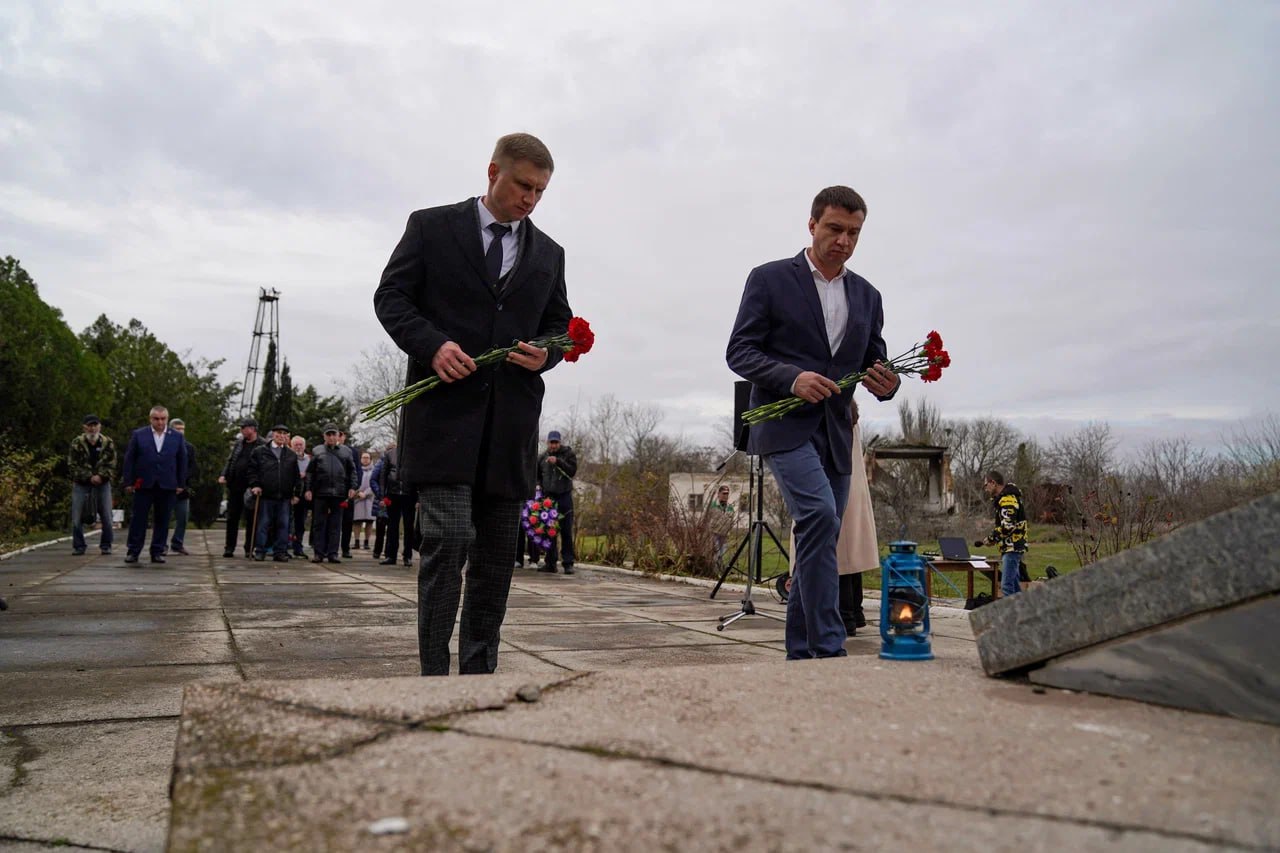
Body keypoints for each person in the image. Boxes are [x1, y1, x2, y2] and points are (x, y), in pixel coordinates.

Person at [373, 131, 573, 675]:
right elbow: (390, 297)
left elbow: (559, 327)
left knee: (494, 558)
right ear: (493, 172)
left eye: (540, 191)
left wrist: (545, 355)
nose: (530, 199)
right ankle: (435, 677)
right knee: (449, 537)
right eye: (523, 186)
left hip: (509, 428)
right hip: (443, 421)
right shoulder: (431, 227)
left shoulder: (549, 254)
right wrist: (432, 345)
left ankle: (479, 675)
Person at [727, 185, 899, 660]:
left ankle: (803, 654)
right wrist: (792, 378)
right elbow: (739, 352)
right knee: (820, 516)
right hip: (784, 427)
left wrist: (886, 382)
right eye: (835, 229)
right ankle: (829, 645)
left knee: (820, 531)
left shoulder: (868, 295)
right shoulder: (769, 279)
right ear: (812, 225)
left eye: (854, 232)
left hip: (837, 433)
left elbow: (874, 360)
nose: (844, 240)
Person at [120, 405, 188, 564]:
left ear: (167, 419)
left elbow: (182, 461)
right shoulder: (139, 435)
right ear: (151, 419)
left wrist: (180, 483)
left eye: (163, 419)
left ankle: (157, 551)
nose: (160, 422)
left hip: (167, 484)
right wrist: (128, 481)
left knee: (163, 519)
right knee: (138, 519)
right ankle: (133, 551)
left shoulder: (176, 437)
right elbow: (129, 459)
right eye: (156, 419)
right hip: (144, 483)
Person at [248, 424, 303, 562]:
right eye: (279, 433)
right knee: (263, 524)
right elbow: (252, 471)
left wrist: (297, 493)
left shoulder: (290, 455)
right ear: (273, 434)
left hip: (284, 496)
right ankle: (260, 550)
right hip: (266, 495)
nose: (282, 436)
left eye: (285, 434)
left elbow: (296, 476)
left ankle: (280, 551)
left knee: (283, 525)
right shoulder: (260, 451)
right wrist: (255, 485)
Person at [305, 425, 357, 563]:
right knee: (318, 524)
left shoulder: (346, 451)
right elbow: (310, 472)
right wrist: (308, 489)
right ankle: (318, 553)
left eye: (334, 434)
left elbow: (352, 471)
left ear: (338, 435)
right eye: (328, 434)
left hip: (339, 493)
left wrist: (353, 487)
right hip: (320, 493)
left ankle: (333, 553)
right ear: (324, 436)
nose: (331, 437)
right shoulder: (317, 450)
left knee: (336, 525)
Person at [218, 419, 268, 558]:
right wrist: (224, 474)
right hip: (235, 486)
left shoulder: (263, 445)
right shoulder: (239, 443)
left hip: (251, 487)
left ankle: (249, 547)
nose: (242, 430)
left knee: (251, 519)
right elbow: (231, 460)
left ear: (253, 429)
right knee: (232, 518)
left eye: (244, 428)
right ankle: (229, 547)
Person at [68, 414, 116, 555]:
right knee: (77, 517)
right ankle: (79, 546)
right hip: (82, 484)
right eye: (90, 425)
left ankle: (106, 545)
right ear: (84, 427)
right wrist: (89, 477)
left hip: (103, 483)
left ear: (99, 426)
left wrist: (101, 476)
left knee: (107, 516)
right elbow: (72, 465)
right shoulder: (76, 443)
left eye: (95, 425)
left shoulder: (108, 443)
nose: (93, 428)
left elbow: (112, 464)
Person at [976, 470, 1028, 597]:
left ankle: (1010, 616)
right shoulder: (1005, 498)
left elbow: (1008, 526)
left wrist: (991, 539)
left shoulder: (1007, 500)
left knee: (1006, 586)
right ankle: (1025, 613)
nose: (986, 489)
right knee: (1015, 586)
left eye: (986, 485)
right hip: (1010, 547)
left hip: (1013, 547)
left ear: (993, 483)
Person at [537, 430, 578, 574]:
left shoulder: (568, 454)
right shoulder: (542, 457)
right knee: (549, 531)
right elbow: (536, 475)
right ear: (548, 443)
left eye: (556, 442)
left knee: (566, 530)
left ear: (560, 443)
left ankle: (568, 563)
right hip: (549, 498)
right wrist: (538, 486)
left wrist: (558, 462)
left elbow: (572, 471)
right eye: (551, 442)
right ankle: (550, 563)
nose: (553, 445)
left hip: (564, 497)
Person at [374, 442, 417, 568]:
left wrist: (418, 498)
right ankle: (391, 555)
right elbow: (383, 474)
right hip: (393, 493)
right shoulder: (390, 454)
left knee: (409, 526)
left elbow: (417, 475)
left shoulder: (413, 453)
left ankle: (407, 556)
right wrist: (383, 495)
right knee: (392, 525)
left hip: (409, 494)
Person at [168, 418, 197, 555]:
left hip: (182, 487)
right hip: (166, 487)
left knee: (183, 517)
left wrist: (183, 483)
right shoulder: (164, 445)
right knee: (164, 517)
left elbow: (192, 468)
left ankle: (177, 542)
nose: (180, 432)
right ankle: (161, 543)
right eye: (177, 429)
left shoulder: (189, 448)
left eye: (182, 429)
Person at [337, 428, 361, 558]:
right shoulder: (327, 450)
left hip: (348, 491)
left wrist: (355, 487)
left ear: (344, 437)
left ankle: (345, 548)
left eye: (340, 435)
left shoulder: (353, 452)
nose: (338, 437)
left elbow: (357, 471)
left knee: (347, 521)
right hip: (334, 490)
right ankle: (331, 548)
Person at [289, 435, 311, 557]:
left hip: (303, 495)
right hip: (290, 493)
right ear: (291, 446)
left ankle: (298, 546)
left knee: (300, 522)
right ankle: (285, 546)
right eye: (296, 445)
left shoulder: (310, 459)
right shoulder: (288, 458)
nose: (298, 447)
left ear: (304, 446)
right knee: (286, 521)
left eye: (300, 444)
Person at [706, 484, 736, 568]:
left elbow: (732, 520)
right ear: (719, 494)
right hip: (714, 533)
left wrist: (730, 530)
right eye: (723, 493)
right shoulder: (713, 505)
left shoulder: (730, 507)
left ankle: (720, 568)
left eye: (727, 494)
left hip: (725, 534)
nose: (725, 496)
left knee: (723, 553)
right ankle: (715, 569)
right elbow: (706, 519)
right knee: (716, 552)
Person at [352, 451, 376, 549]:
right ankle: (356, 542)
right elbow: (354, 482)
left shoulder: (374, 471)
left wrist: (366, 493)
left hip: (370, 499)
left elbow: (374, 484)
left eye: (367, 457)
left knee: (369, 522)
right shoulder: (357, 470)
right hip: (358, 499)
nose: (365, 459)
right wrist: (358, 493)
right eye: (363, 457)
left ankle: (366, 542)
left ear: (370, 459)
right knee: (357, 521)